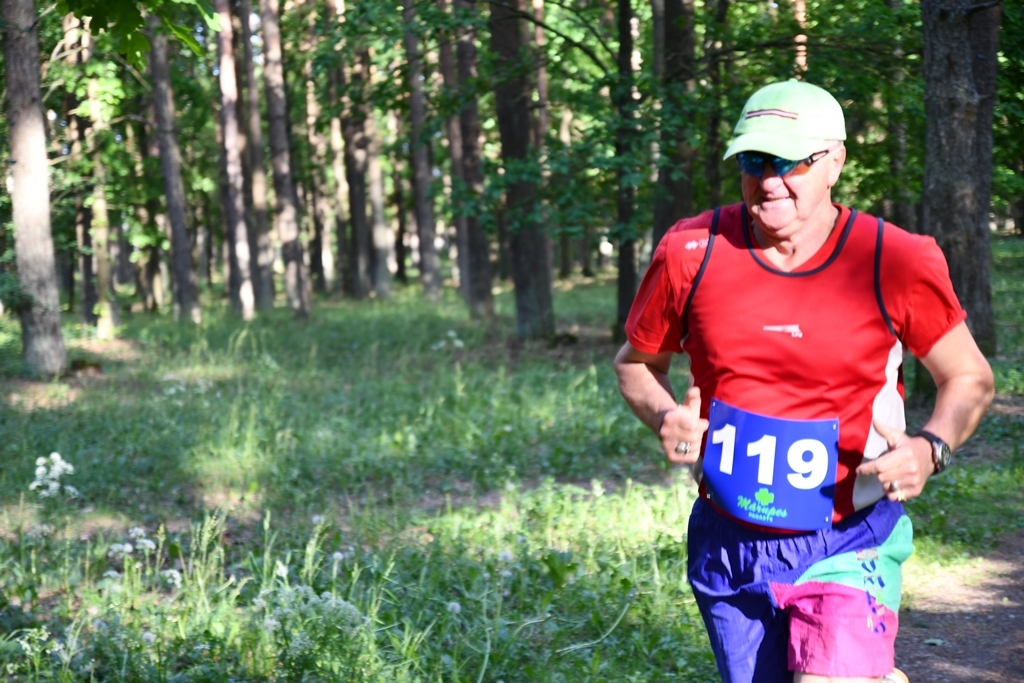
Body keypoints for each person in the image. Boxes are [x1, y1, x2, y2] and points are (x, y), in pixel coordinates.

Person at [614, 79, 994, 683]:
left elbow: (969, 377)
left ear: (835, 161)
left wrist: (932, 447)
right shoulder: (692, 250)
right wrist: (667, 417)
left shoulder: (893, 258)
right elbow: (636, 365)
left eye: (790, 161)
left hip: (849, 535)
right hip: (728, 540)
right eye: (754, 161)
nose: (769, 180)